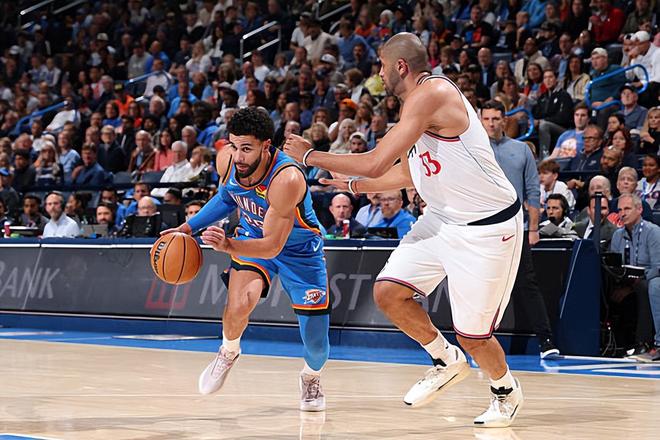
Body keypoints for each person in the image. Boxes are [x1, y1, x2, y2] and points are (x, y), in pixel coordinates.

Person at [284, 33, 524, 427]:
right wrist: (355, 185)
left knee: (474, 336)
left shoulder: (432, 94)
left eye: (382, 66)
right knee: (389, 293)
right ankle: (445, 360)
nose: (378, 74)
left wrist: (309, 155)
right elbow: (410, 173)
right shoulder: (415, 105)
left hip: (487, 228)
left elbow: (376, 161)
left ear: (400, 66)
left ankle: (505, 391)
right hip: (442, 220)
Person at [163, 108, 330, 412]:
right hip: (252, 236)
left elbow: (272, 246)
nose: (238, 156)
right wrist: (187, 227)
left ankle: (311, 376)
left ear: (266, 146)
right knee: (239, 303)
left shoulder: (287, 178)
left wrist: (227, 244)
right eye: (234, 145)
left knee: (316, 343)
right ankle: (228, 351)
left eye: (246, 148)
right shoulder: (227, 159)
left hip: (299, 252)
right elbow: (226, 197)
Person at [481, 101, 560, 359]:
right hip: (481, 228)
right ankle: (479, 343)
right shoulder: (473, 149)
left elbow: (532, 190)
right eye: (486, 119)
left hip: (515, 228)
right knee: (483, 285)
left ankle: (546, 341)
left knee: (527, 283)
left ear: (504, 120)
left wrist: (534, 227)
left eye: (495, 118)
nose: (491, 123)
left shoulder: (521, 149)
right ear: (480, 121)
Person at [609, 193, 660, 362]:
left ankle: (645, 343)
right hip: (627, 282)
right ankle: (614, 344)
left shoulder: (653, 232)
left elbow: (657, 267)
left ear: (639, 209)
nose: (622, 213)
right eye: (619, 210)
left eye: (627, 209)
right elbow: (615, 267)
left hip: (649, 279)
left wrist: (634, 283)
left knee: (649, 286)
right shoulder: (617, 235)